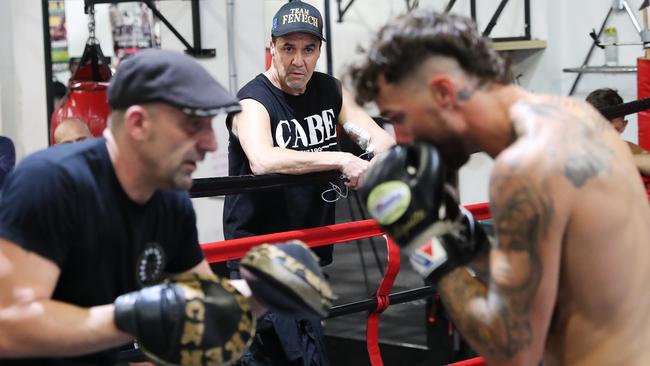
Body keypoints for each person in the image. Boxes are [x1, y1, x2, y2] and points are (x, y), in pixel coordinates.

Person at [353, 10, 650, 366]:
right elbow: (560, 289)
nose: (404, 139)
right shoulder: (574, 116)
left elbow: (513, 351)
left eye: (401, 118)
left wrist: (425, 244)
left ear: (443, 92)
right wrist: (467, 240)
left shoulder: (526, 165)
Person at [0, 49, 331, 366]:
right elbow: (9, 327)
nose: (210, 143)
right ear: (138, 124)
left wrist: (263, 290)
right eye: (192, 125)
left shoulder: (169, 200)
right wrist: (131, 317)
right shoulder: (51, 184)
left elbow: (203, 297)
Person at [222, 1, 394, 365]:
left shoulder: (330, 91)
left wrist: (373, 162)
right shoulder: (252, 101)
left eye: (308, 49)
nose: (298, 61)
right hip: (258, 262)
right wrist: (341, 159)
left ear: (319, 51)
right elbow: (263, 158)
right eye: (288, 48)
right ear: (271, 47)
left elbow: (381, 141)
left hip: (307, 257)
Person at [586, 87, 650, 176]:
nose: (610, 136)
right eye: (603, 129)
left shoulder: (628, 149)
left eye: (615, 129)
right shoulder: (570, 149)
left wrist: (625, 160)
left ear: (624, 126)